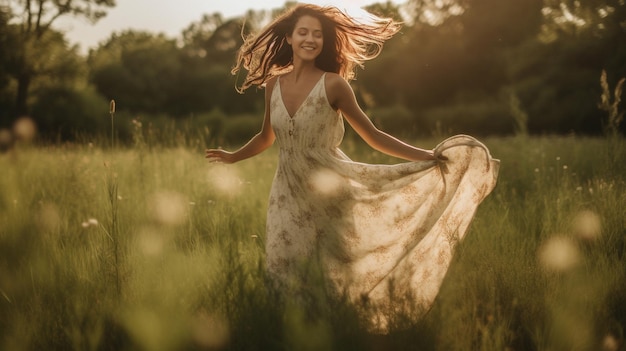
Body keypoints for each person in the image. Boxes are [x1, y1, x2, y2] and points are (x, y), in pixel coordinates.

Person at [205, 3, 499, 332]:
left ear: (323, 42)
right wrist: (232, 157)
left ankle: (340, 328)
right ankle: (288, 331)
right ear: (289, 37)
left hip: (331, 187)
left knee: (333, 267)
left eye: (317, 34)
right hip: (287, 191)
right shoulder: (274, 85)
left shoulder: (334, 85)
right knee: (283, 262)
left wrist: (426, 156)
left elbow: (373, 136)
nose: (310, 39)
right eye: (303, 32)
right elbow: (265, 137)